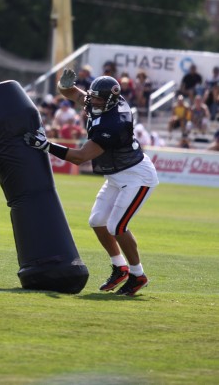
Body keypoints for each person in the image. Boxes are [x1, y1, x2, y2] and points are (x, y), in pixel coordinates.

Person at [24, 69, 159, 297]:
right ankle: (120, 267)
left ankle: (138, 275)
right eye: (92, 96)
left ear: (111, 100)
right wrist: (62, 85)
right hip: (117, 175)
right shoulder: (99, 101)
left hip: (137, 176)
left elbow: (80, 157)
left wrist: (46, 145)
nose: (92, 101)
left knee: (117, 226)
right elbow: (73, 93)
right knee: (97, 221)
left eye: (97, 98)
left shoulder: (115, 122)